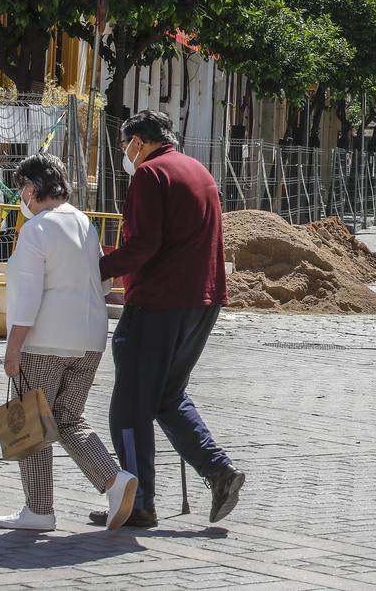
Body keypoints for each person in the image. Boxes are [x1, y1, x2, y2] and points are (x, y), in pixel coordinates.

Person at [96, 110, 243, 529]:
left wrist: (97, 267)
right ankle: (219, 472)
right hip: (203, 300)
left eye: (127, 144)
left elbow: (143, 245)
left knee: (128, 407)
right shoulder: (199, 170)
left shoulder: (150, 175)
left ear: (138, 141)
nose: (126, 153)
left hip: (160, 304)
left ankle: (138, 501)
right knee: (165, 397)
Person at [0, 153, 138, 532]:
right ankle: (114, 479)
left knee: (31, 418)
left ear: (30, 188)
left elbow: (26, 296)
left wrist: (13, 348)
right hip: (89, 338)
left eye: (22, 189)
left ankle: (39, 510)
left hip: (44, 341)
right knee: (67, 418)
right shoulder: (83, 222)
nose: (22, 197)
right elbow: (102, 280)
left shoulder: (37, 230)